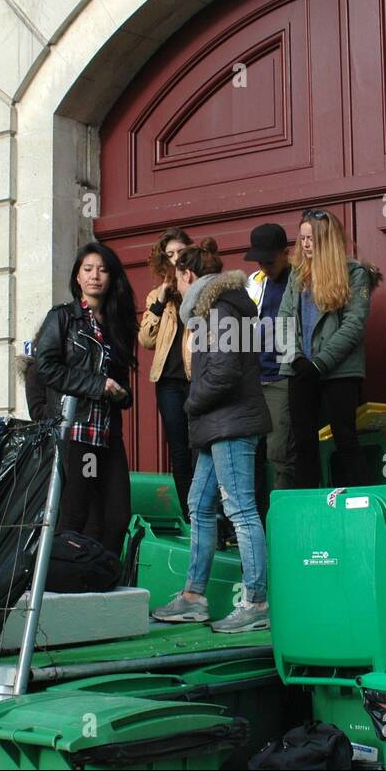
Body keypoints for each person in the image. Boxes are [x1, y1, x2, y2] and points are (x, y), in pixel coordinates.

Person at [152, 238, 273, 633]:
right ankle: (193, 597)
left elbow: (222, 372)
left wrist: (190, 403)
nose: (176, 286)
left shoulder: (219, 309)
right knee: (200, 506)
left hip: (229, 424)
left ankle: (257, 603)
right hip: (217, 425)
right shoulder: (218, 307)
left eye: (177, 278)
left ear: (188, 275)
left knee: (240, 510)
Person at [34, 242, 138, 557]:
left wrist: (122, 394)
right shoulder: (63, 318)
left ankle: (101, 581)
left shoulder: (118, 325)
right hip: (76, 432)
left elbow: (119, 381)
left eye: (103, 269)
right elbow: (46, 367)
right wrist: (98, 384)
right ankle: (66, 585)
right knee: (76, 516)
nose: (95, 276)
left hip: (107, 435)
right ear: (77, 277)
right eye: (88, 269)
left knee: (117, 517)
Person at [278, 209, 381, 489]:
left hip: (338, 370)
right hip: (300, 369)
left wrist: (320, 363)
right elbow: (284, 319)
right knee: (303, 443)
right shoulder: (297, 275)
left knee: (345, 438)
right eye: (302, 239)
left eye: (311, 238)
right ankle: (308, 510)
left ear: (326, 240)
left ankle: (362, 506)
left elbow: (353, 325)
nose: (306, 244)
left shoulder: (354, 273)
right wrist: (296, 358)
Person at [137, 228, 194, 520]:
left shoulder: (201, 288)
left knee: (202, 447)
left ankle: (211, 514)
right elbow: (146, 340)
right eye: (169, 255)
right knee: (180, 451)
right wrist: (160, 301)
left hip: (197, 379)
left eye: (180, 253)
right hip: (168, 382)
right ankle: (190, 514)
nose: (175, 260)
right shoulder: (155, 296)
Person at [244, 222, 296, 522]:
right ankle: (255, 528)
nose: (264, 265)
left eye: (270, 259)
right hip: (253, 378)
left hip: (281, 377)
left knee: (279, 454)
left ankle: (281, 525)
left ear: (285, 253)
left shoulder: (300, 281)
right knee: (250, 456)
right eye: (259, 260)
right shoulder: (255, 280)